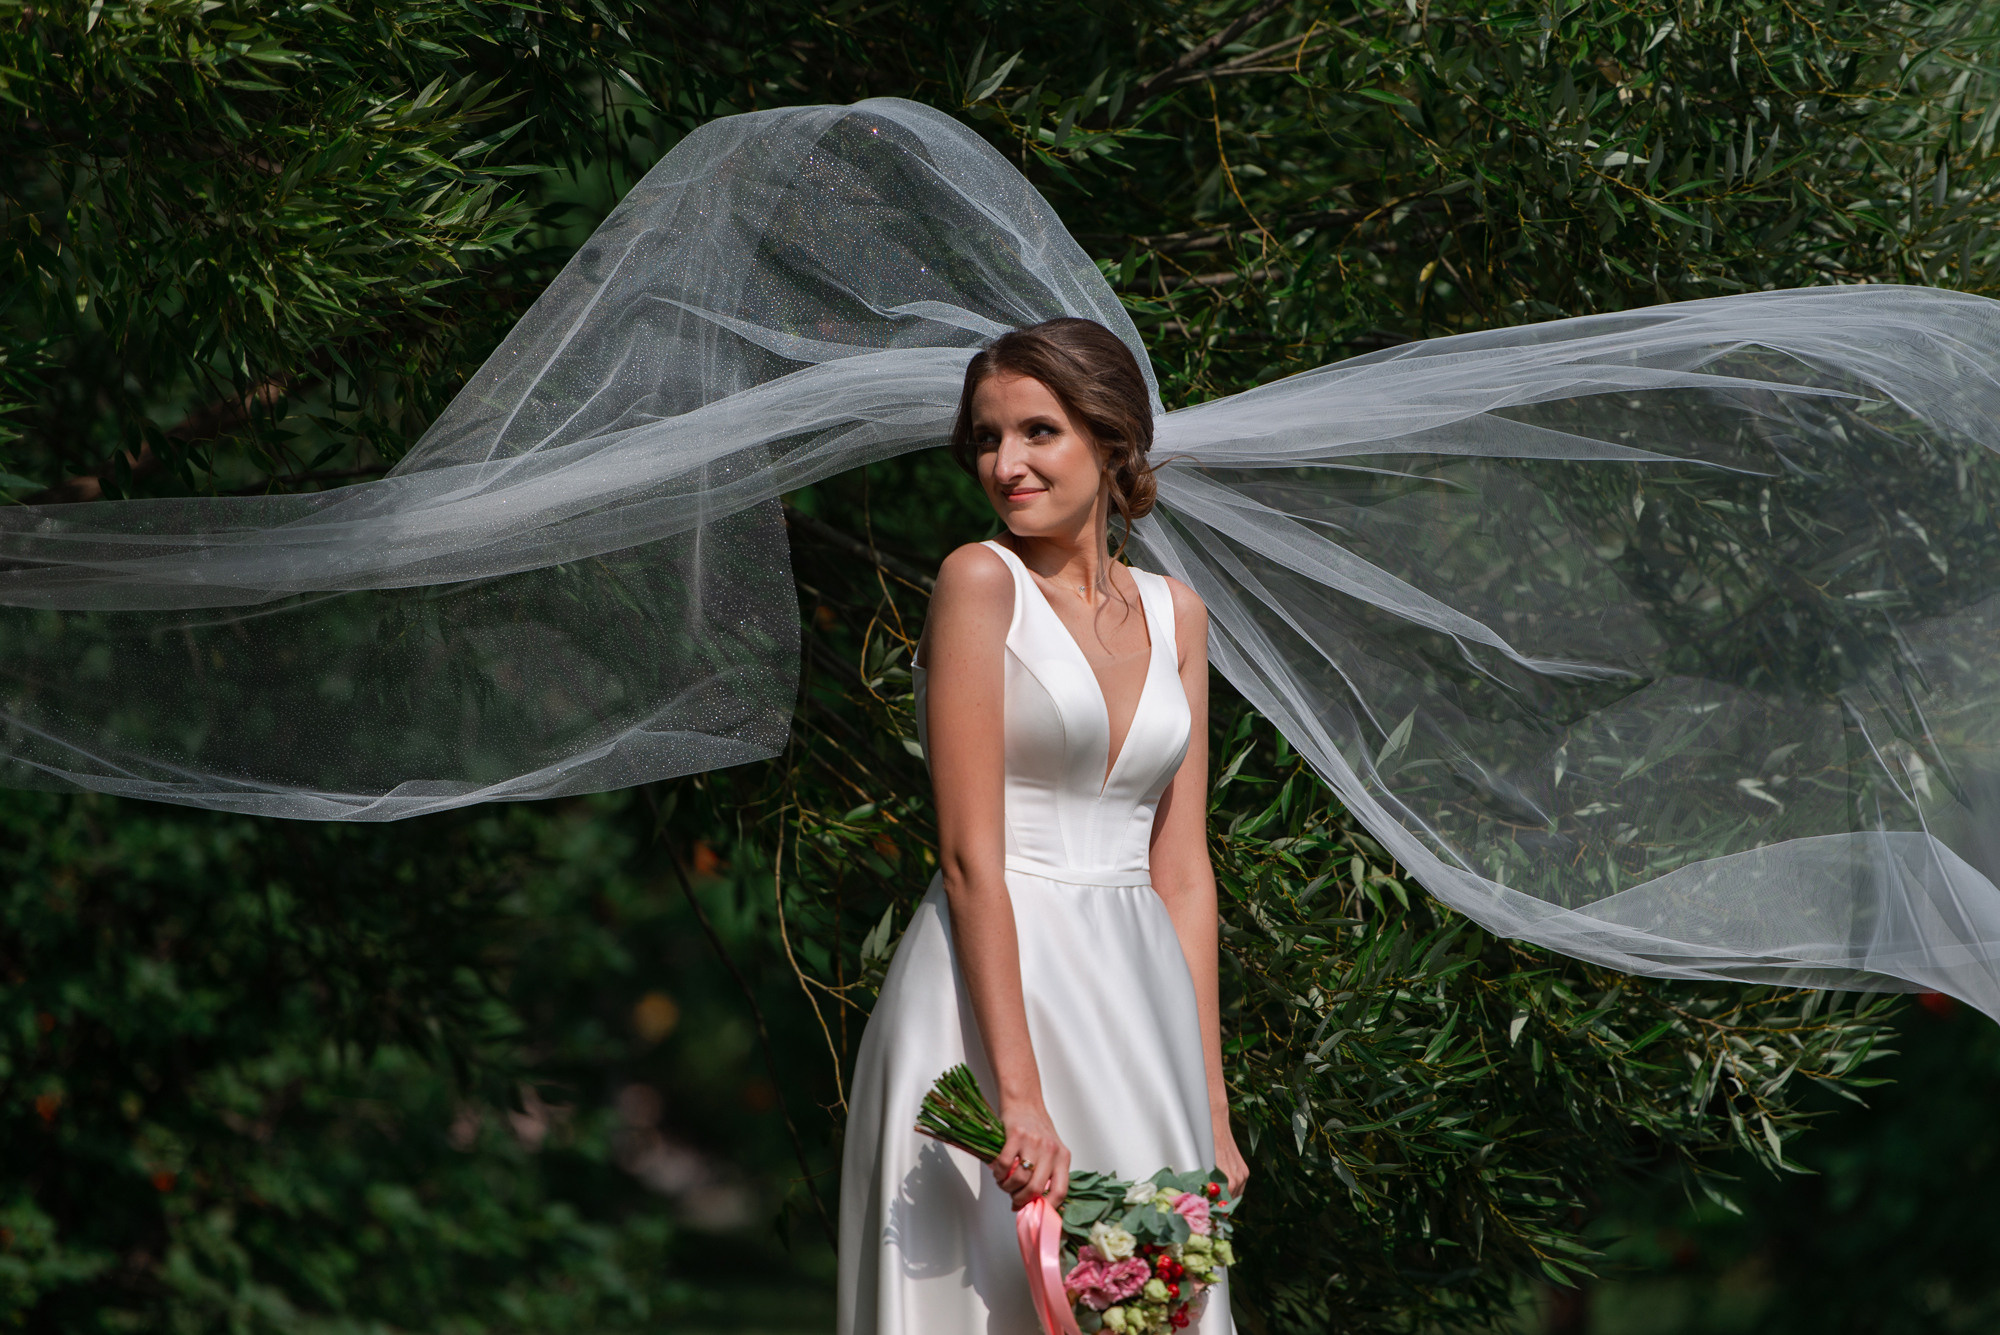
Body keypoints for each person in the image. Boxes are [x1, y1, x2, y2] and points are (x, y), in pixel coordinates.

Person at [837, 317, 1250, 1335]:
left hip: (1137, 1000)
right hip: (991, 993)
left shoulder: (1176, 614)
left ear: (1110, 441)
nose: (1005, 465)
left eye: (1036, 431)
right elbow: (970, 856)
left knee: (1153, 1292)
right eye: (985, 439)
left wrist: (1211, 1103)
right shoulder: (979, 582)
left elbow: (1183, 871)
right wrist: (1015, 1096)